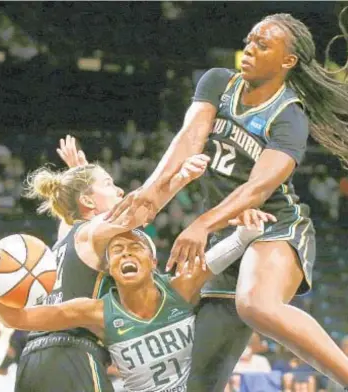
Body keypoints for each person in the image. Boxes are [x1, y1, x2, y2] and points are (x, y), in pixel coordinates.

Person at [106, 9, 348, 389]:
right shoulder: (219, 82)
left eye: (262, 45)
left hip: (274, 228)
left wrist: (202, 223)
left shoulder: (289, 117)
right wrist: (151, 189)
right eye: (249, 40)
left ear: (288, 61)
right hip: (226, 235)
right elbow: (189, 138)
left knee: (256, 304)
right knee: (199, 382)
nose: (249, 48)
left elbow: (257, 190)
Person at [0, 214, 270, 392]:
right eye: (117, 250)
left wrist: (247, 228)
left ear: (153, 260)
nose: (125, 253)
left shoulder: (178, 288)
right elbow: (18, 319)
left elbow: (232, 246)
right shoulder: (95, 311)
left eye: (134, 248)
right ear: (109, 269)